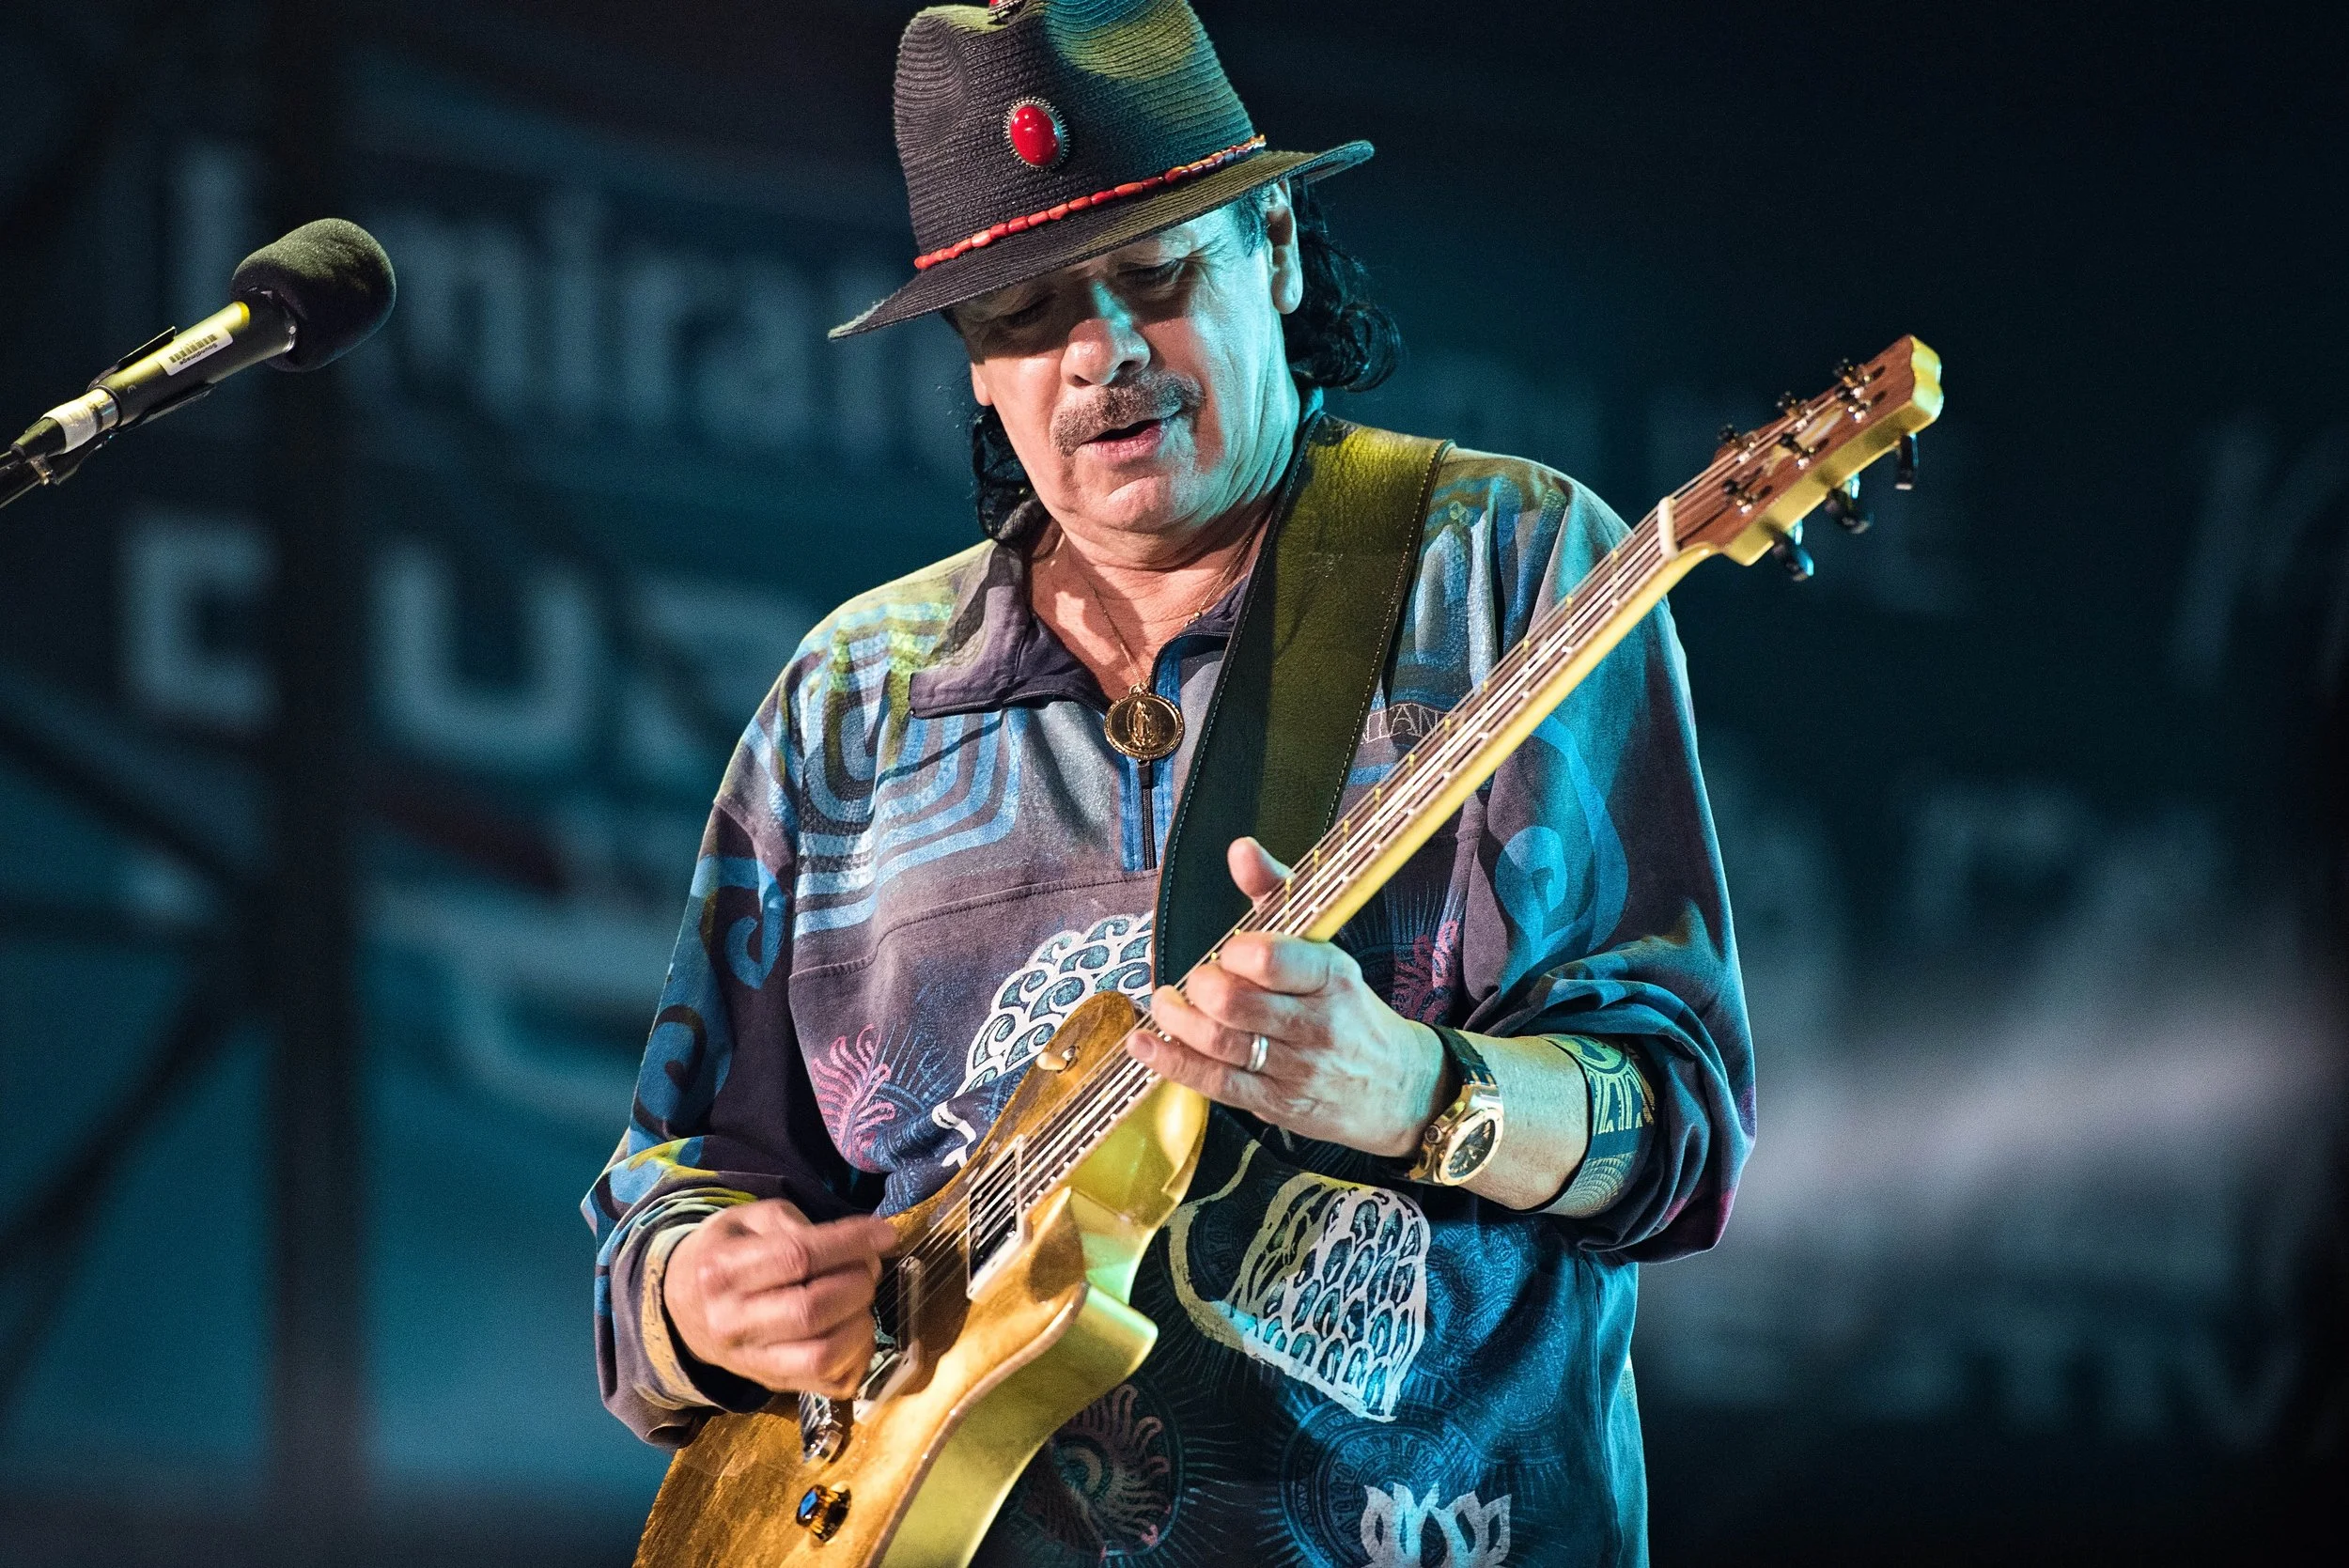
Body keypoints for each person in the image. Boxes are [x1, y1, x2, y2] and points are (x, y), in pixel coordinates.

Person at [583, 2, 1752, 1562]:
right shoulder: (851, 698)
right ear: (976, 368)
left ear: (1275, 249)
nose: (1100, 354)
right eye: (1026, 315)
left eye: (1153, 277)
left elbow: (1676, 1122)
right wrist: (701, 1294)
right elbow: (677, 1180)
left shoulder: (1505, 572)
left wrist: (1423, 1093)